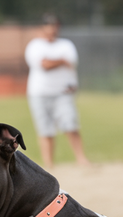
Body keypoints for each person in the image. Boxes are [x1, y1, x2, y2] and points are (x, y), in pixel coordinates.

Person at [25, 14, 90, 169]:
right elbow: (44, 65)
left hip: (63, 92)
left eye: (54, 25)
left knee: (71, 125)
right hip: (40, 93)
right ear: (42, 27)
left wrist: (54, 61)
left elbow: (71, 62)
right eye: (49, 25)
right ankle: (49, 164)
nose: (52, 28)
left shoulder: (66, 44)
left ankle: (81, 159)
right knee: (45, 129)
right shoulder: (35, 45)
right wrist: (61, 60)